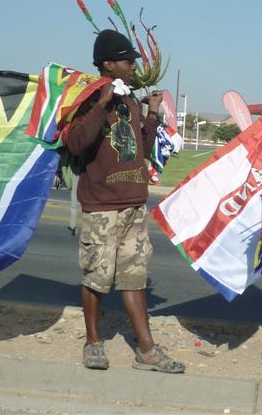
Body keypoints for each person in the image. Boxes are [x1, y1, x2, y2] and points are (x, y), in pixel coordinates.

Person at [62, 29, 185, 374]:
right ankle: (93, 343)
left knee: (134, 278)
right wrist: (102, 102)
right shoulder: (87, 98)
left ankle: (146, 352)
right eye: (128, 61)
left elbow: (142, 150)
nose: (134, 66)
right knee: (96, 277)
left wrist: (152, 113)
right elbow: (76, 142)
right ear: (108, 64)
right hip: (102, 205)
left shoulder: (130, 99)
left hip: (134, 202)